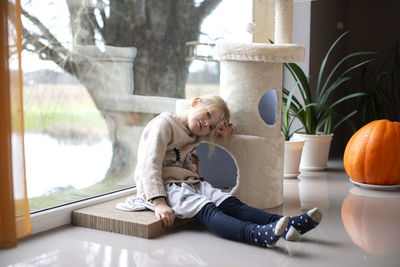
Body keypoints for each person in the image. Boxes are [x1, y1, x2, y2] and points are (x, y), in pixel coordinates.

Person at [132, 94, 322, 248]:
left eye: (212, 126)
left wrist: (223, 133)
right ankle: (254, 234)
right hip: (163, 187)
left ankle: (287, 224)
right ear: (196, 102)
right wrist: (159, 202)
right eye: (207, 114)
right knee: (207, 208)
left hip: (186, 183)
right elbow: (149, 164)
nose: (206, 124)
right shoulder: (163, 125)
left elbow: (194, 147)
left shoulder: (194, 134)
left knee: (229, 202)